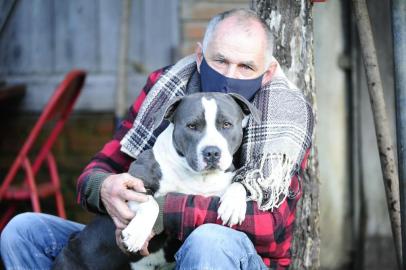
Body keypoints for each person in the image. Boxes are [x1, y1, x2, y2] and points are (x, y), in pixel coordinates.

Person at [1, 8, 313, 270]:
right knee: (23, 230)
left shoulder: (284, 117)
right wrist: (102, 186)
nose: (230, 74)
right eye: (220, 60)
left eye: (246, 66)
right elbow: (108, 163)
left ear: (268, 72)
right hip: (151, 251)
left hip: (228, 256)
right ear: (200, 57)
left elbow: (272, 229)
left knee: (209, 240)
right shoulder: (166, 88)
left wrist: (163, 210)